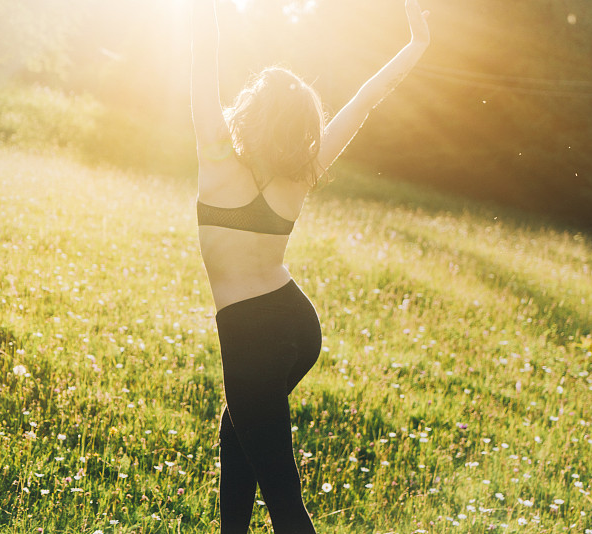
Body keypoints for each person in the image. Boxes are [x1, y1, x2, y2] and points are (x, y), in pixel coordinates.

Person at [191, 1, 430, 532]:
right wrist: (415, 47)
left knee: (283, 499)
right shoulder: (302, 174)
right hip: (297, 324)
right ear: (301, 125)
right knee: (240, 438)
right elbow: (366, 100)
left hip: (251, 334)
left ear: (251, 111)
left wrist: (204, 14)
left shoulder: (214, 155)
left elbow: (202, 56)